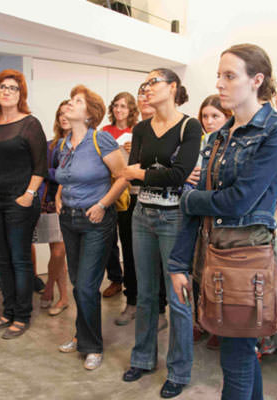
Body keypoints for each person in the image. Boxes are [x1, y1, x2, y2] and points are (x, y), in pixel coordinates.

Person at [168, 43, 277, 400]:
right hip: (213, 254)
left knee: (236, 357)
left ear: (257, 80)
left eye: (229, 76)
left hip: (245, 257)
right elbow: (198, 209)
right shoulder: (218, 136)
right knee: (239, 355)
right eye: (219, 76)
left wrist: (191, 198)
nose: (220, 84)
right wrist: (179, 263)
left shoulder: (276, 131)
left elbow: (239, 201)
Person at [119, 68, 202, 399]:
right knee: (146, 294)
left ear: (173, 87)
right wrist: (155, 173)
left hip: (174, 219)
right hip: (142, 215)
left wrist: (144, 172)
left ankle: (179, 371)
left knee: (178, 298)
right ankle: (142, 358)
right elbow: (132, 174)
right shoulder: (141, 128)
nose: (148, 88)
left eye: (154, 82)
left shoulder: (188, 126)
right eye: (145, 83)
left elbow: (180, 174)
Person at [55, 85, 128, 371]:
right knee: (78, 283)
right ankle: (81, 334)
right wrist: (60, 197)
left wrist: (102, 204)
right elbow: (64, 176)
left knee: (86, 285)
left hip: (96, 220)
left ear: (89, 113)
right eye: (69, 100)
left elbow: (123, 177)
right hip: (69, 219)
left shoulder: (102, 140)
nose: (69, 105)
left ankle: (93, 346)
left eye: (76, 101)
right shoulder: (64, 143)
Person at [0, 69, 47, 339]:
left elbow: (40, 166)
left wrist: (28, 195)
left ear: (21, 94)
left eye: (13, 88)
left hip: (21, 201)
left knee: (20, 260)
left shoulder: (30, 124)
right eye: (2, 87)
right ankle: (7, 312)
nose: (7, 91)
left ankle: (23, 315)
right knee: (2, 260)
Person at [115, 85, 169, 327]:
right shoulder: (136, 131)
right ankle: (132, 301)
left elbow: (169, 169)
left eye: (150, 93)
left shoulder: (170, 128)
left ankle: (159, 310)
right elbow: (127, 170)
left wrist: (138, 168)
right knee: (130, 252)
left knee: (157, 257)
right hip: (132, 197)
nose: (145, 98)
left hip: (161, 199)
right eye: (141, 94)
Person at [190, 94, 232, 350]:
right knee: (199, 272)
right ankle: (200, 321)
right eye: (205, 116)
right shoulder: (202, 142)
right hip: (200, 215)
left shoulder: (232, 143)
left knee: (221, 275)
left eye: (215, 116)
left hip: (223, 217)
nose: (209, 121)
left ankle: (219, 325)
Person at [100, 91, 138, 298]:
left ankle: (132, 283)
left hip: (129, 192)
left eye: (124, 106)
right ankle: (115, 278)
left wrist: (135, 151)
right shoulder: (104, 132)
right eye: (116, 105)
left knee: (128, 238)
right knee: (108, 239)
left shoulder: (138, 131)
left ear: (131, 110)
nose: (119, 109)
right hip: (107, 190)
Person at [38, 100, 71, 316]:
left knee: (60, 252)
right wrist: (59, 173)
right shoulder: (50, 145)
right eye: (60, 113)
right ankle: (64, 297)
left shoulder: (83, 144)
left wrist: (57, 172)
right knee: (55, 252)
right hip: (49, 202)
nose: (64, 116)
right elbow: (42, 171)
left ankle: (49, 287)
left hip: (72, 202)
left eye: (68, 112)